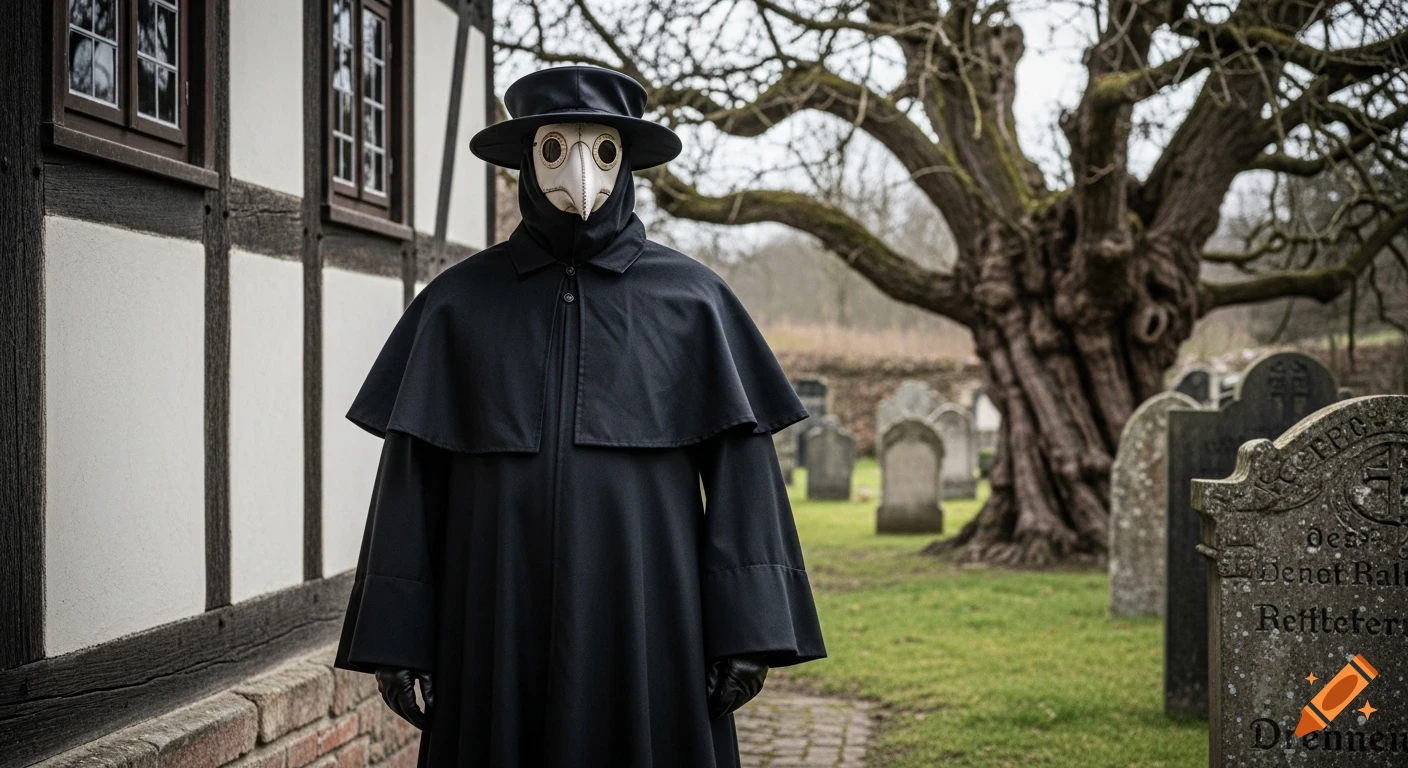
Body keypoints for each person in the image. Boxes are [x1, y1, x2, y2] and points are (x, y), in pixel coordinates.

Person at [333, 65, 825, 768]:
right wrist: (398, 636)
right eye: (555, 148)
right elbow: (410, 484)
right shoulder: (457, 306)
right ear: (527, 161)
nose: (580, 172)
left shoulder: (694, 303)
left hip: (652, 626)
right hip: (491, 628)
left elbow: (744, 477)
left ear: (625, 163)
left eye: (602, 150)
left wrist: (748, 629)